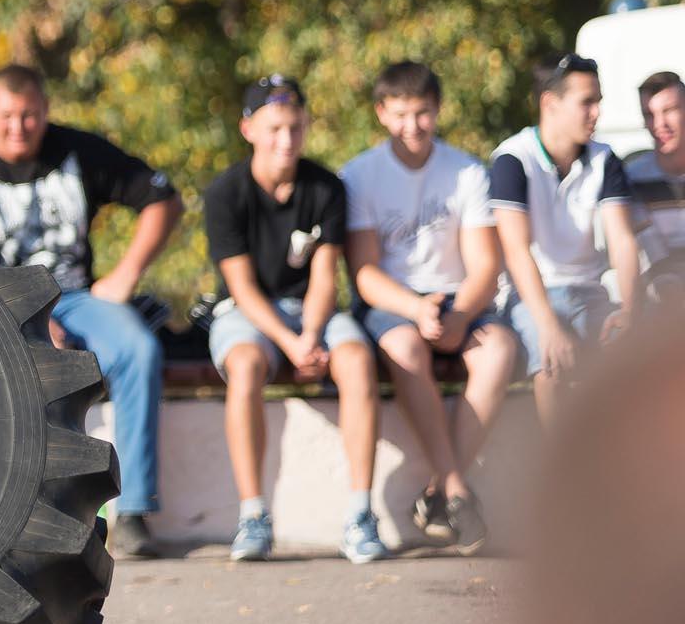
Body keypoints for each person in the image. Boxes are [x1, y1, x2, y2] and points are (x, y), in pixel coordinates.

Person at [0, 64, 182, 557]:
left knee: (139, 348)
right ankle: (33, 515)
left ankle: (132, 509)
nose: (17, 127)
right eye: (6, 116)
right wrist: (26, 314)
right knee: (31, 366)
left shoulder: (77, 149)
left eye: (29, 116)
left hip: (78, 299)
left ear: (45, 112)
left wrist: (127, 273)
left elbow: (164, 199)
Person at [341, 62, 521, 556]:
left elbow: (486, 264)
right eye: (400, 115)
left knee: (500, 349)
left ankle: (443, 489)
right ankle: (458, 490)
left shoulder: (465, 170)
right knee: (403, 347)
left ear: (437, 110)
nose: (412, 126)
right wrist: (417, 310)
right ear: (381, 113)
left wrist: (460, 314)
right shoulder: (360, 174)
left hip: (457, 299)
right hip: (395, 302)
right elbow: (364, 273)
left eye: (422, 114)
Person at [203, 75, 383, 564]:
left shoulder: (326, 186)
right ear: (248, 130)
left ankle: (361, 513)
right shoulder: (224, 193)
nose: (287, 140)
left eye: (296, 128)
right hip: (248, 313)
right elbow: (241, 288)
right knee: (243, 366)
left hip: (312, 313)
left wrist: (308, 334)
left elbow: (326, 276)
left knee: (357, 360)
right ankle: (253, 515)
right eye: (275, 128)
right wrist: (289, 343)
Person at [489, 52, 643, 426]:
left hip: (590, 293)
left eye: (598, 102)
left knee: (636, 359)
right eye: (587, 102)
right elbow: (515, 250)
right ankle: (567, 484)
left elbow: (623, 241)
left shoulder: (605, 158)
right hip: (530, 296)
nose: (597, 113)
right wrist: (548, 326)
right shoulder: (512, 158)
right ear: (550, 103)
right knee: (553, 361)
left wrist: (630, 311)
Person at [627, 70, 685, 288]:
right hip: (660, 288)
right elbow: (653, 257)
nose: (660, 124)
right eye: (649, 115)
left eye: (669, 110)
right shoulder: (631, 178)